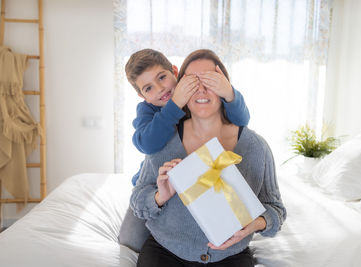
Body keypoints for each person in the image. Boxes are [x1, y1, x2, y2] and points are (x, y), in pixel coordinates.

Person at [130, 49, 286, 266]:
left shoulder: (255, 147)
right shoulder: (161, 135)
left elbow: (276, 209)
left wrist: (256, 224)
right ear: (182, 91)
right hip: (165, 251)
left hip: (231, 255)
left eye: (210, 81)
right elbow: (138, 199)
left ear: (225, 87)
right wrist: (160, 197)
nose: (201, 89)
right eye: (193, 82)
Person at [119, 48, 251, 252]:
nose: (160, 89)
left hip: (198, 180)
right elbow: (147, 143)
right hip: (157, 183)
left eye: (162, 77)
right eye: (148, 88)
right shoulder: (149, 109)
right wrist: (175, 103)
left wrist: (229, 93)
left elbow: (241, 121)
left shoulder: (196, 97)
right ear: (141, 95)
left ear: (174, 71)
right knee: (129, 240)